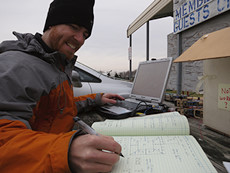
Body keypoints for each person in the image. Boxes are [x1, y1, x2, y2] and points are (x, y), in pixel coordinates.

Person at [0, 0, 124, 172]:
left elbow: (60, 109)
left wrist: (97, 99)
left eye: (85, 34)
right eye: (73, 27)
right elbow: (4, 140)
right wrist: (65, 152)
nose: (80, 39)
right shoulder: (16, 66)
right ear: (51, 24)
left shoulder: (56, 63)